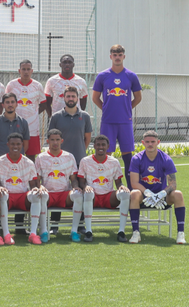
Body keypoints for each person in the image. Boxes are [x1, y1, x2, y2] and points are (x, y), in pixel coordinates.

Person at [92, 44, 142, 188]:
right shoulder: (103, 76)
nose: (117, 57)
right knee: (107, 157)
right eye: (114, 54)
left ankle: (132, 190)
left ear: (123, 56)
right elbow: (95, 98)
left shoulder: (131, 76)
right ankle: (107, 189)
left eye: (120, 54)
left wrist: (127, 109)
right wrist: (106, 109)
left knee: (128, 158)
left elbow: (138, 97)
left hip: (125, 122)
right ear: (110, 56)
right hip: (108, 121)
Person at [47, 86, 92, 234]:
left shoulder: (84, 116)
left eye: (73, 96)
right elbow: (52, 137)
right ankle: (54, 226)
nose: (71, 99)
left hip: (79, 159)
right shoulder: (56, 117)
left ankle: (80, 225)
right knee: (57, 189)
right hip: (59, 161)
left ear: (77, 98)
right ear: (63, 98)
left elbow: (87, 138)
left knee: (80, 191)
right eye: (68, 96)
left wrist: (78, 153)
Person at [128, 131, 186, 244]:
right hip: (144, 197)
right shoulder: (136, 159)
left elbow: (173, 184)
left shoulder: (166, 159)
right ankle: (136, 232)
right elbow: (134, 183)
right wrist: (148, 193)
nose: (150, 144)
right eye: (147, 142)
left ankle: (180, 233)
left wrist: (161, 194)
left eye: (153, 142)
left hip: (162, 199)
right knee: (134, 193)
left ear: (158, 142)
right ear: (143, 143)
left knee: (178, 194)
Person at [0, 133, 47, 245]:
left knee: (36, 195)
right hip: (8, 196)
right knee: (2, 195)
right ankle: (6, 234)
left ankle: (33, 234)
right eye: (12, 144)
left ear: (22, 144)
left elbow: (33, 185)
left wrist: (36, 189)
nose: (15, 146)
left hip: (23, 196)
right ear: (8, 145)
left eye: (18, 144)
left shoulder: (29, 163)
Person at [77, 135, 131, 243]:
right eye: (98, 144)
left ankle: (121, 232)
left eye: (103, 145)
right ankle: (88, 231)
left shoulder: (114, 161)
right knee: (87, 194)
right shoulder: (85, 161)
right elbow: (81, 182)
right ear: (94, 146)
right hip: (92, 196)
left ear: (108, 146)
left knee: (125, 194)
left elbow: (118, 182)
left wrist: (121, 186)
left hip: (108, 196)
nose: (100, 147)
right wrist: (86, 186)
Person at [34, 129, 81, 242]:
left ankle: (74, 231)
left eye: (57, 140)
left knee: (78, 195)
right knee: (41, 195)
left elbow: (73, 178)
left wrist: (75, 187)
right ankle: (44, 231)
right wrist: (40, 186)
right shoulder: (41, 157)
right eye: (52, 140)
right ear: (47, 141)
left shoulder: (69, 156)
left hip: (64, 194)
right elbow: (37, 179)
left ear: (62, 141)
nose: (55, 142)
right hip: (48, 194)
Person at [5, 60, 46, 160]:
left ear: (32, 71)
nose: (26, 72)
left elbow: (44, 104)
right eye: (23, 69)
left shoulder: (37, 86)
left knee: (31, 156)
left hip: (32, 127)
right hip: (14, 125)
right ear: (19, 71)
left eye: (28, 69)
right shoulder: (12, 85)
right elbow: (5, 102)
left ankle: (29, 175)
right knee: (13, 155)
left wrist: (33, 113)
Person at [0, 93, 30, 159]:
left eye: (12, 102)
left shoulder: (23, 122)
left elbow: (26, 144)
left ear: (17, 104)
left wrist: (18, 155)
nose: (10, 105)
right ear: (3, 105)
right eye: (7, 102)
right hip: (1, 161)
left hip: (18, 160)